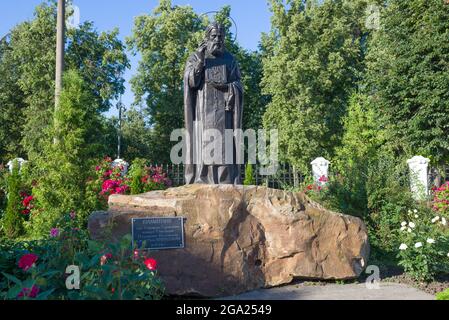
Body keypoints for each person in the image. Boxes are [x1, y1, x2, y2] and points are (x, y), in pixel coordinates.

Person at [183, 22, 244, 185]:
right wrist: (200, 61)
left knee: (224, 145)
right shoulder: (196, 57)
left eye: (221, 37)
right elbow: (192, 82)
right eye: (214, 36)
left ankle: (225, 180)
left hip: (225, 111)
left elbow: (238, 84)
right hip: (203, 109)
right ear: (207, 37)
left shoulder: (230, 59)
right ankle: (202, 179)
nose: (217, 39)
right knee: (204, 143)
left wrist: (227, 87)